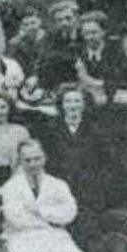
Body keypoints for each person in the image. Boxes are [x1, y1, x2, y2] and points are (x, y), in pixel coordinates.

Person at [0, 140, 92, 252]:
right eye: (27, 160)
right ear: (20, 162)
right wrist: (52, 219)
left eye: (37, 159)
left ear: (44, 158)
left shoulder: (58, 184)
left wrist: (40, 211)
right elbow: (15, 219)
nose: (33, 164)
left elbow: (70, 213)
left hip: (55, 237)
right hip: (22, 238)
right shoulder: (11, 187)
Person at [38, 85, 108, 218]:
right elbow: (46, 161)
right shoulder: (50, 130)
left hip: (89, 191)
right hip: (60, 189)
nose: (73, 106)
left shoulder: (96, 130)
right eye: (68, 101)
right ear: (62, 105)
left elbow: (105, 161)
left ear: (84, 105)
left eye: (77, 101)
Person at [74, 12, 127, 96]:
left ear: (103, 32)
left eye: (94, 32)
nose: (90, 37)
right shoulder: (79, 53)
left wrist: (90, 81)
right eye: (86, 33)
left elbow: (123, 82)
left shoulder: (116, 53)